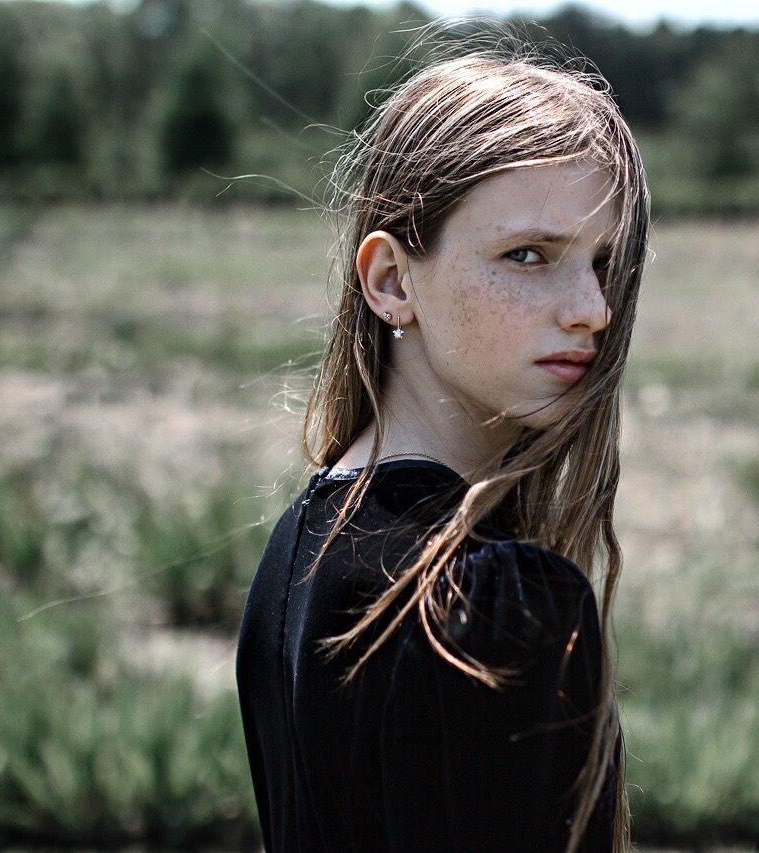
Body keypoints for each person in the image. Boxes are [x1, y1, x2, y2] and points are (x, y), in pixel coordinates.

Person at [235, 19, 651, 853]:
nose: (593, 309)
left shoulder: (301, 547)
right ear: (392, 281)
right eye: (530, 255)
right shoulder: (488, 606)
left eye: (603, 263)